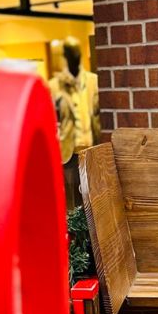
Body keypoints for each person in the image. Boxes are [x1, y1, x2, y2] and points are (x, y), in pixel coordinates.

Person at [49, 39, 100, 211]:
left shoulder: (94, 81)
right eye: (70, 53)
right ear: (65, 56)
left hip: (91, 149)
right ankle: (74, 237)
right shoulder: (54, 86)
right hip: (67, 153)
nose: (74, 56)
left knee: (93, 200)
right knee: (71, 205)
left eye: (76, 52)